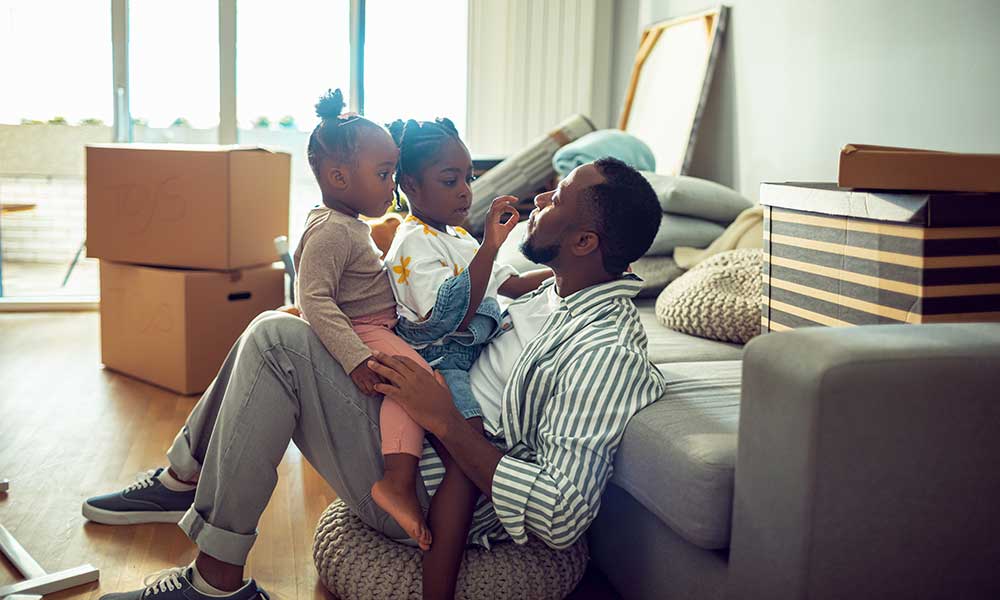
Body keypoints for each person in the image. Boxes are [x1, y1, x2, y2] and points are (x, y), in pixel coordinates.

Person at [82, 157, 666, 600]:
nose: (542, 195)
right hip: (424, 426)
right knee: (285, 326)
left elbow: (562, 515)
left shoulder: (604, 348)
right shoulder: (555, 290)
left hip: (434, 488)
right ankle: (183, 478)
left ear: (585, 242)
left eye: (559, 196)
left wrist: (440, 415)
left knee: (275, 342)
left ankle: (211, 573)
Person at [381, 117, 552, 598]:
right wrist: (491, 246)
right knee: (467, 450)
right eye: (449, 180)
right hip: (440, 361)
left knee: (481, 440)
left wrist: (556, 277)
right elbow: (448, 316)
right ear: (411, 185)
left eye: (469, 179)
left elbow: (505, 284)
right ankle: (439, 583)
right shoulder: (411, 241)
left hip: (469, 356)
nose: (464, 191)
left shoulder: (457, 236)